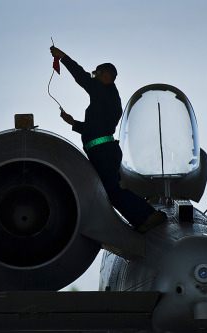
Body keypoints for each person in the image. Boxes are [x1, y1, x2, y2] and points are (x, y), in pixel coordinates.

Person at [49, 45, 166, 233]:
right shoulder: (106, 97)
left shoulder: (104, 91)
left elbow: (82, 77)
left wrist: (63, 57)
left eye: (96, 74)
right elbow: (95, 129)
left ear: (106, 76)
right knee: (110, 191)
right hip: (103, 150)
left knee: (112, 191)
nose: (92, 77)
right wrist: (74, 123)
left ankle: (148, 216)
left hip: (103, 152)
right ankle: (143, 218)